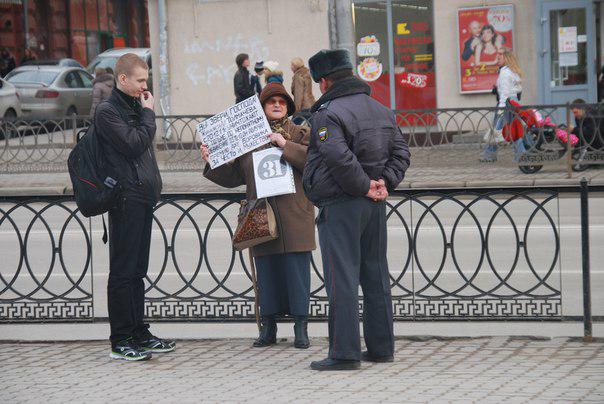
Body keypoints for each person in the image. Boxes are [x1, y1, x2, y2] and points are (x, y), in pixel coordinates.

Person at [303, 49, 410, 371]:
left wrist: (364, 185)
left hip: (342, 203)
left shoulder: (328, 113)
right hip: (374, 203)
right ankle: (381, 348)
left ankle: (345, 353)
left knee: (342, 279)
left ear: (324, 82)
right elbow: (401, 154)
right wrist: (383, 183)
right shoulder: (381, 109)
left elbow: (338, 157)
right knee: (375, 275)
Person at [201, 83, 316, 349]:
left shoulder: (301, 133)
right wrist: (212, 161)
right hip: (262, 214)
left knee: (297, 273)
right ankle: (268, 328)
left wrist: (285, 145)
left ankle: (301, 328)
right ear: (262, 108)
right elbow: (234, 177)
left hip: (296, 215)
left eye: (282, 102)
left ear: (288, 107)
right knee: (267, 274)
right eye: (271, 102)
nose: (277, 105)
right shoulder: (249, 138)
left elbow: (315, 162)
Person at [95, 53, 174, 361]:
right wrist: (148, 114)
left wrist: (143, 112)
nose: (145, 86)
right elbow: (133, 143)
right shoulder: (108, 111)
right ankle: (120, 340)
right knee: (123, 271)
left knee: (137, 271)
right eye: (140, 80)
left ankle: (139, 332)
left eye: (146, 80)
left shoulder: (133, 106)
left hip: (142, 196)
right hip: (125, 198)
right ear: (123, 79)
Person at [480, 49, 525, 162]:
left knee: (497, 130)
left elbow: (505, 94)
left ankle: (490, 154)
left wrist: (500, 109)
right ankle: (490, 153)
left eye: (500, 55)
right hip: (513, 103)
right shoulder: (512, 71)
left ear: (507, 58)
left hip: (505, 104)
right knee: (512, 129)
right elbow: (518, 90)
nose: (498, 57)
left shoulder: (505, 73)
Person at [570, 98, 604, 170]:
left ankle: (594, 160)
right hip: (591, 141)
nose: (574, 115)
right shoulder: (579, 117)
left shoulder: (592, 115)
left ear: (582, 109)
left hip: (599, 141)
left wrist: (574, 130)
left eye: (575, 112)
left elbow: (590, 133)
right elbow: (581, 133)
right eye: (573, 113)